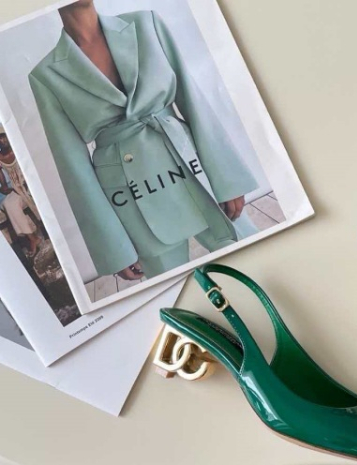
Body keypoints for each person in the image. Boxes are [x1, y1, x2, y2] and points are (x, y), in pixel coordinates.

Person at [29, 0, 259, 282]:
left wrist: (228, 178)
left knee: (256, 258)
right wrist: (114, 249)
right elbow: (72, 165)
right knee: (176, 289)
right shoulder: (46, 75)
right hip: (131, 196)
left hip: (192, 166)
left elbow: (192, 98)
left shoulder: (145, 23)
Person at [0, 126, 43, 258]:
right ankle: (33, 238)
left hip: (33, 182)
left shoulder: (20, 148)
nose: (4, 140)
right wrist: (5, 189)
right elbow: (4, 187)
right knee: (9, 204)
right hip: (18, 188)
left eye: (5, 136)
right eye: (0, 138)